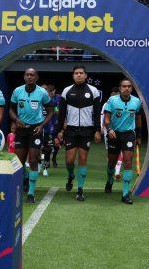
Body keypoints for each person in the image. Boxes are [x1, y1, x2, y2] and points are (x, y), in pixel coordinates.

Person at [57, 66, 102, 202]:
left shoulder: (93, 91)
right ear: (73, 76)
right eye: (76, 73)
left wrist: (97, 130)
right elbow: (62, 112)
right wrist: (59, 130)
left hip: (86, 130)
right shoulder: (66, 91)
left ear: (86, 75)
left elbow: (97, 112)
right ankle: (71, 175)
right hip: (70, 130)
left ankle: (80, 190)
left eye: (81, 73)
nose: (79, 75)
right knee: (69, 161)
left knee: (82, 159)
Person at [9, 68, 53, 204]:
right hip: (21, 130)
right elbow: (11, 109)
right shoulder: (17, 91)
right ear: (24, 77)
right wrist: (16, 120)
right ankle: (25, 176)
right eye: (27, 75)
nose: (29, 77)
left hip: (36, 130)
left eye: (32, 75)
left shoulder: (42, 93)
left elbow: (50, 112)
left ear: (37, 77)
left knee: (33, 159)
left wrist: (42, 126)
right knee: (19, 162)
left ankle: (31, 194)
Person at [103, 79, 142, 205]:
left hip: (129, 135)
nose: (126, 88)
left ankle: (125, 194)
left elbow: (138, 119)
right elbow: (106, 117)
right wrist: (109, 130)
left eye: (129, 86)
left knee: (128, 162)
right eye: (124, 86)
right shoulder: (112, 101)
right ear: (120, 88)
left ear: (132, 88)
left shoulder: (136, 101)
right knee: (112, 164)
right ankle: (110, 180)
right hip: (114, 134)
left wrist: (139, 136)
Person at [101, 87, 122, 179]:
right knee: (110, 151)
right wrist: (101, 127)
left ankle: (117, 171)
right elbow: (103, 116)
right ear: (111, 94)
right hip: (108, 130)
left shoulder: (123, 103)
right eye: (115, 93)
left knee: (120, 150)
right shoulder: (106, 104)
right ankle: (111, 169)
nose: (117, 95)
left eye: (118, 93)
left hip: (120, 130)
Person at [41, 84, 61, 177]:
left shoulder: (53, 100)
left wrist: (60, 124)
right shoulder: (37, 98)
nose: (44, 91)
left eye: (46, 89)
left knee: (48, 148)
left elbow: (57, 110)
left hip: (50, 126)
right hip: (38, 125)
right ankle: (38, 163)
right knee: (35, 147)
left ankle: (46, 167)